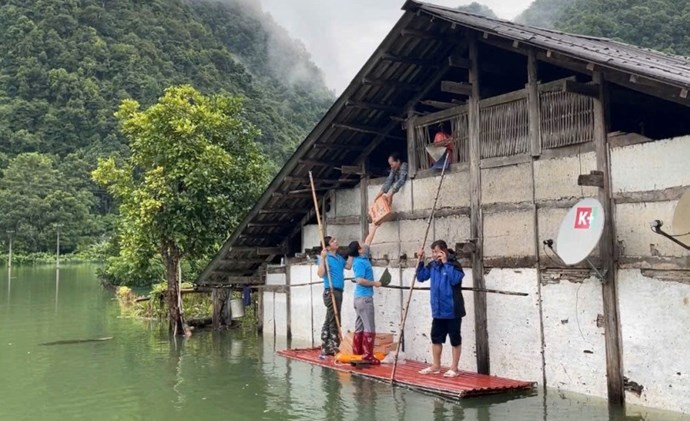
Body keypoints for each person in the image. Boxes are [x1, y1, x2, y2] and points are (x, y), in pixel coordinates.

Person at [415, 240, 465, 378]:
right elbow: (420, 277)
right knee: (436, 338)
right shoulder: (433, 266)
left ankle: (454, 368)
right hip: (438, 310)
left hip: (453, 309)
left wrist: (445, 262)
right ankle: (436, 365)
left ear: (444, 251)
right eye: (433, 252)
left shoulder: (455, 265)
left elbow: (455, 280)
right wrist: (420, 261)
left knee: (455, 339)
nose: (434, 255)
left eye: (437, 252)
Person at [347, 223, 381, 364]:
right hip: (365, 298)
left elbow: (368, 240)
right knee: (369, 327)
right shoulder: (359, 262)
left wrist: (374, 226)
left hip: (358, 298)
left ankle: (357, 351)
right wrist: (375, 283)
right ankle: (368, 356)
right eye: (360, 246)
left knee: (359, 325)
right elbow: (359, 280)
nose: (363, 245)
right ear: (359, 251)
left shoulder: (363, 255)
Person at [317, 235, 353, 358]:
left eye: (335, 240)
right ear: (327, 246)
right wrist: (322, 258)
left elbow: (348, 266)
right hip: (330, 291)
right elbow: (320, 274)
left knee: (330, 317)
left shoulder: (338, 257)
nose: (336, 241)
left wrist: (352, 254)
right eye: (333, 241)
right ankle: (333, 345)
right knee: (333, 318)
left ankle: (326, 344)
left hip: (339, 291)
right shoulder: (326, 258)